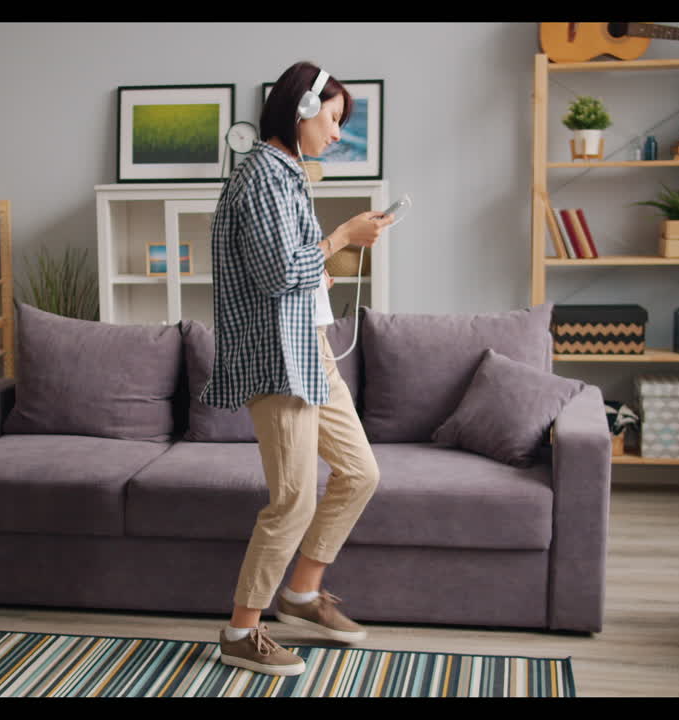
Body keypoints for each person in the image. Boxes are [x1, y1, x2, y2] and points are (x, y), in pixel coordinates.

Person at [200, 60, 392, 677]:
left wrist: (324, 267)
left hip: (308, 351)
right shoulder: (260, 175)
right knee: (292, 500)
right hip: (277, 359)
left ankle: (302, 595)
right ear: (303, 110)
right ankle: (239, 632)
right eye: (334, 120)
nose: (337, 134)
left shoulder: (289, 177)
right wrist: (341, 238)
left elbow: (290, 270)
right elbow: (279, 272)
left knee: (359, 472)